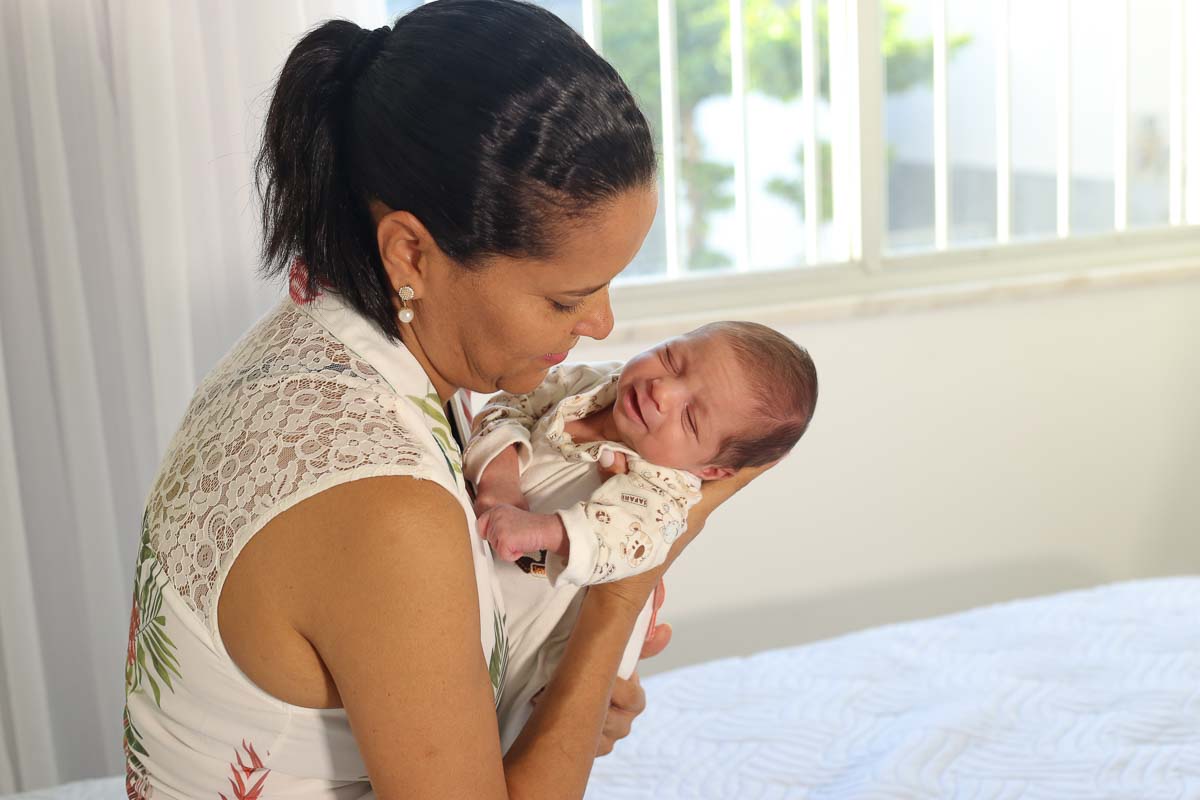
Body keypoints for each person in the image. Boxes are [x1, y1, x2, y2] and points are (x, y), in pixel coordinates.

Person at [120, 2, 774, 799]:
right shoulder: (387, 508)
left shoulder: (306, 350)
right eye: (567, 299)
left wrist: (554, 704)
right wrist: (622, 596)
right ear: (411, 253)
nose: (603, 324)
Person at [463, 321, 817, 750]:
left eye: (690, 417)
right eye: (672, 358)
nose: (662, 391)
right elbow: (507, 408)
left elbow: (632, 538)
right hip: (483, 573)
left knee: (508, 711)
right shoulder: (590, 384)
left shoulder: (666, 489)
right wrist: (499, 485)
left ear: (710, 471)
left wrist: (547, 530)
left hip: (549, 631)